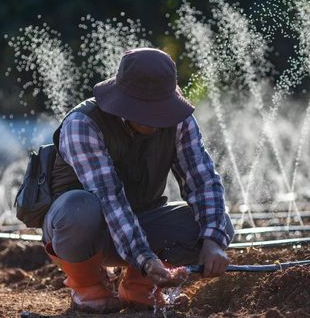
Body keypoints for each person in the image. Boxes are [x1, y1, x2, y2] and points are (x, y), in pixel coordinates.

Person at [42, 47, 234, 313]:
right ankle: (88, 288)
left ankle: (140, 285)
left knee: (217, 222)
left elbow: (202, 180)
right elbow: (109, 199)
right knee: (79, 207)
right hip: (84, 231)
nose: (157, 119)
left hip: (142, 223)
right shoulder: (83, 124)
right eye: (148, 111)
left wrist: (214, 241)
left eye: (161, 109)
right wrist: (144, 257)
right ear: (124, 102)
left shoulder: (179, 122)